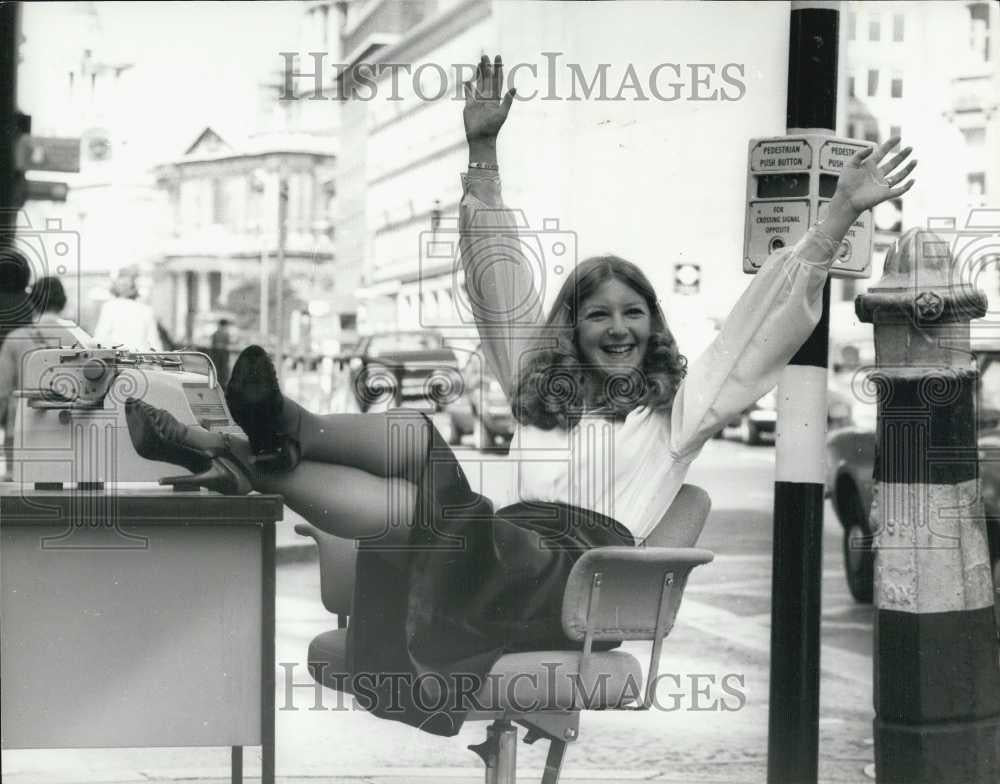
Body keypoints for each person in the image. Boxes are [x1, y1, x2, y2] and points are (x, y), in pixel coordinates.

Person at [121, 55, 916, 737]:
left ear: (654, 326)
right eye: (597, 313)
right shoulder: (543, 390)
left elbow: (753, 332)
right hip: (497, 558)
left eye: (633, 313)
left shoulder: (678, 411)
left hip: (571, 580)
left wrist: (838, 211)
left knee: (428, 489)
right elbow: (501, 289)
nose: (617, 328)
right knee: (413, 463)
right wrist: (482, 154)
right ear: (571, 327)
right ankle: (260, 442)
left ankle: (265, 435)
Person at [0, 277, 92, 476]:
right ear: (64, 302)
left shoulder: (15, 338)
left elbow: (2, 391)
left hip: (23, 428)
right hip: (70, 428)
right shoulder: (81, 339)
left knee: (21, 491)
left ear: (32, 302)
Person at [92, 266, 163, 351]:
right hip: (141, 359)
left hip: (118, 360)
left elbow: (99, 338)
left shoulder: (109, 307)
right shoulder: (146, 310)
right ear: (134, 287)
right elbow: (154, 343)